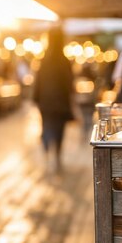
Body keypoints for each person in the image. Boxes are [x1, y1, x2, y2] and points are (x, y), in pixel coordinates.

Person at [33, 26, 74, 173]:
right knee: (59, 130)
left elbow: (37, 82)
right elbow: (69, 84)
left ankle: (46, 155)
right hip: (60, 103)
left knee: (47, 128)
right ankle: (56, 157)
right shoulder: (64, 61)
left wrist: (36, 99)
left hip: (45, 102)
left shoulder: (43, 60)